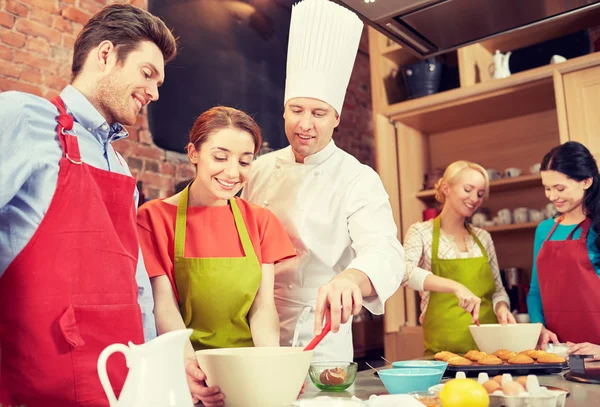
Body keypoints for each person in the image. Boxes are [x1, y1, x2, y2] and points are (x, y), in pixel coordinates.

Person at [0, 4, 177, 406]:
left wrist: (149, 369)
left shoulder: (117, 163)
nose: (154, 92)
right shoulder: (24, 119)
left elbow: (136, 289)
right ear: (105, 55)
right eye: (147, 74)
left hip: (119, 387)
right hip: (37, 387)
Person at [242, 0, 404, 362]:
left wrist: (351, 279)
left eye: (318, 113)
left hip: (322, 337)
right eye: (296, 110)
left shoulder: (357, 178)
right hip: (254, 331)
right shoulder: (256, 170)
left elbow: (385, 250)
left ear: (336, 118)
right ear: (283, 110)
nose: (305, 124)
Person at [137, 107, 296, 406]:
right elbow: (164, 306)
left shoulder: (260, 221)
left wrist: (270, 366)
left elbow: (262, 308)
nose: (232, 172)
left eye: (244, 161)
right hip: (185, 373)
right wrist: (190, 371)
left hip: (247, 373)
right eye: (220, 157)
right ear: (194, 153)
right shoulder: (153, 218)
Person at [403, 161, 515, 355]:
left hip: (489, 352)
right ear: (446, 187)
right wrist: (455, 286)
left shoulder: (483, 238)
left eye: (480, 194)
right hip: (444, 354)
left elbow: (498, 290)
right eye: (468, 189)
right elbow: (404, 273)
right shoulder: (421, 232)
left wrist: (502, 308)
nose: (475, 199)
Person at [527, 141, 600, 349]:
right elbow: (535, 291)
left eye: (559, 188)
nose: (552, 196)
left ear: (586, 181)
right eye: (547, 188)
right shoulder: (544, 230)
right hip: (558, 352)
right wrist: (539, 327)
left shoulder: (598, 227)